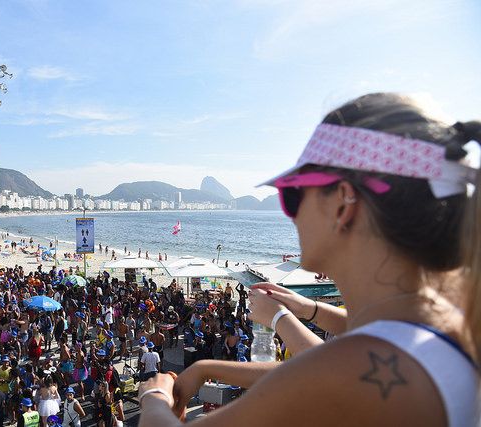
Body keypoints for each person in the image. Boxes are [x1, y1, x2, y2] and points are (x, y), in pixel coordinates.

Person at [137, 93, 481, 426]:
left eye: (293, 194)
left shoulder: (358, 367)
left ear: (344, 201)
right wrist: (207, 367)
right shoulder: (452, 321)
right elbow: (323, 362)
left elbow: (324, 370)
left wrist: (153, 399)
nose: (292, 215)